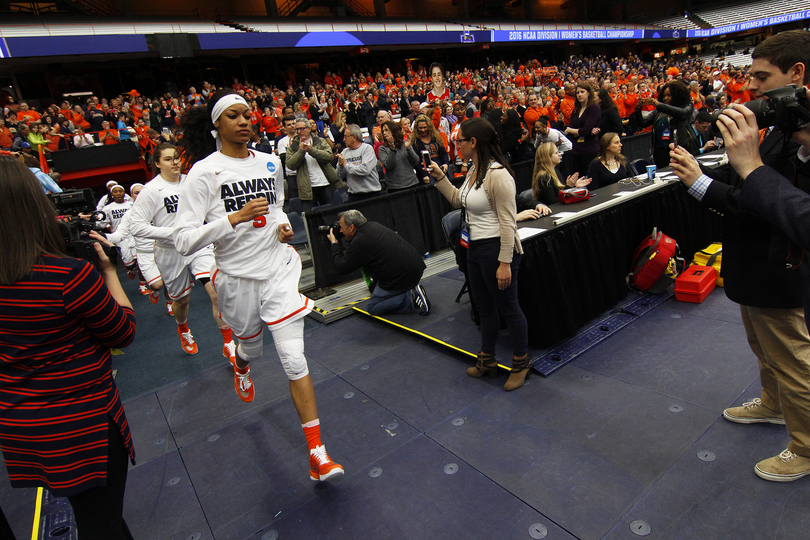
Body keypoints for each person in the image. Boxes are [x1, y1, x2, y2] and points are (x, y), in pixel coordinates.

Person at [173, 89, 343, 481]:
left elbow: (279, 206)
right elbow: (183, 240)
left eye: (248, 114)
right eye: (233, 116)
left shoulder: (269, 162)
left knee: (295, 358)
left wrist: (283, 226)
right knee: (252, 348)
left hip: (278, 269)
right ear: (217, 124)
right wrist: (232, 219)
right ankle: (241, 361)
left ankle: (318, 455)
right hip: (236, 279)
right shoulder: (203, 172)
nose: (245, 121)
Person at [667, 29, 810, 483]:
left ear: (797, 74)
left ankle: (806, 447)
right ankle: (771, 404)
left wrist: (700, 184)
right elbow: (749, 183)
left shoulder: (799, 136)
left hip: (778, 269)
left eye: (762, 77)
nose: (750, 87)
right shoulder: (777, 129)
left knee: (792, 358)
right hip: (754, 266)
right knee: (764, 348)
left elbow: (766, 200)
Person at [0, 156, 136, 539]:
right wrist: (108, 272)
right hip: (83, 428)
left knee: (96, 517)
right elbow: (122, 331)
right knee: (103, 524)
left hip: (21, 426)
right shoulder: (65, 276)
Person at [428, 117, 530, 391]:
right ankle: (488, 359)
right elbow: (458, 201)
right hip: (474, 249)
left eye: (460, 140)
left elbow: (508, 223)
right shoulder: (475, 169)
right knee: (484, 308)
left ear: (473, 142)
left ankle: (521, 362)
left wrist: (505, 262)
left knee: (509, 308)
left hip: (496, 250)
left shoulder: (499, 175)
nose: (456, 144)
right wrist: (441, 179)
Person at [129, 142, 236, 363]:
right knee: (181, 301)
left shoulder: (192, 181)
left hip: (198, 245)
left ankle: (228, 343)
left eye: (176, 157)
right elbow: (137, 227)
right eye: (168, 159)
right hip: (171, 251)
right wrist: (174, 233)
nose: (175, 161)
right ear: (157, 163)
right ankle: (183, 328)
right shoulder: (151, 190)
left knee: (216, 291)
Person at [328, 209, 430, 316]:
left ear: (352, 227)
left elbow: (341, 267)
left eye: (342, 228)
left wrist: (334, 244)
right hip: (416, 267)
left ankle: (411, 297)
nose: (340, 231)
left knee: (373, 307)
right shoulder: (373, 226)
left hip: (403, 277)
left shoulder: (360, 241)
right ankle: (410, 290)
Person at [286, 117, 343, 211]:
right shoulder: (293, 146)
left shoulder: (320, 141)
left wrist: (311, 150)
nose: (299, 132)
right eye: (297, 129)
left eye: (302, 128)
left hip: (325, 183)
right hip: (307, 188)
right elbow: (290, 164)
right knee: (312, 219)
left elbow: (329, 157)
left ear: (309, 129)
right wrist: (301, 151)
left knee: (331, 214)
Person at [634, 80, 694, 168]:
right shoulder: (658, 111)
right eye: (664, 96)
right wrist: (638, 110)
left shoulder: (686, 106)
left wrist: (658, 105)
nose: (665, 98)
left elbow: (682, 113)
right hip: (661, 151)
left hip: (681, 149)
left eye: (669, 95)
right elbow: (643, 123)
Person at [336, 123, 382, 202]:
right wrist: (340, 166)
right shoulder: (344, 152)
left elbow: (365, 170)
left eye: (346, 137)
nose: (343, 139)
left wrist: (346, 165)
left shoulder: (367, 149)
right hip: (354, 196)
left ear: (354, 137)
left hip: (372, 194)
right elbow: (339, 175)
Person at [564, 82, 601, 176]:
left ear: (588, 93)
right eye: (577, 92)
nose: (579, 95)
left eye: (582, 92)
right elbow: (574, 131)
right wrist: (576, 131)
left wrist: (570, 130)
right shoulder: (576, 110)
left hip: (590, 150)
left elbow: (585, 131)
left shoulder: (594, 108)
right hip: (576, 151)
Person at [378, 120, 421, 192]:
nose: (384, 133)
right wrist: (392, 150)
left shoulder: (404, 144)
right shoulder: (383, 149)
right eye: (383, 131)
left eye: (386, 130)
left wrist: (409, 149)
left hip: (412, 183)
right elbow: (388, 165)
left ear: (393, 131)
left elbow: (415, 161)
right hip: (395, 187)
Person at [412, 114, 450, 182]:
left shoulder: (435, 138)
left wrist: (446, 164)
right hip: (427, 173)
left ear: (429, 127)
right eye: (420, 128)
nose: (423, 130)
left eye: (425, 127)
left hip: (440, 169)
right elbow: (416, 161)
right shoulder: (415, 142)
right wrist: (424, 175)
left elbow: (444, 153)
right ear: (417, 128)